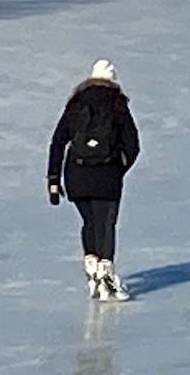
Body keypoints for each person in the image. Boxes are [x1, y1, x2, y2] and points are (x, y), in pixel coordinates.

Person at [47, 59, 141, 302]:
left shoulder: (75, 103)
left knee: (89, 221)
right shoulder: (118, 103)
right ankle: (106, 276)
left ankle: (92, 266)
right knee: (105, 223)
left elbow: (58, 141)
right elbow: (133, 144)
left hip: (76, 174)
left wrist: (54, 179)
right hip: (107, 173)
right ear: (112, 79)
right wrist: (119, 167)